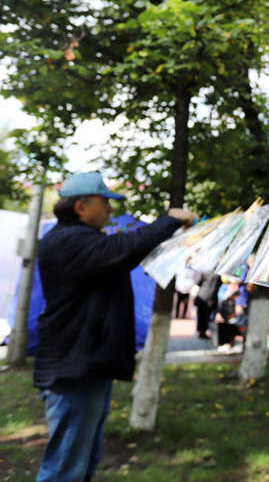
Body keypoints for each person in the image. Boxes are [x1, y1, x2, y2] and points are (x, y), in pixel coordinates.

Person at [34, 172, 196, 482]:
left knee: (83, 460)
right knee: (65, 469)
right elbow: (121, 249)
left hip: (85, 365)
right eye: (105, 202)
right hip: (74, 368)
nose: (110, 210)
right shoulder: (68, 241)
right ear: (81, 207)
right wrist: (169, 220)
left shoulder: (78, 239)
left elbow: (123, 252)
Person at [195, 271, 221, 339]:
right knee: (207, 316)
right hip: (211, 297)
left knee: (201, 315)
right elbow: (219, 284)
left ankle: (201, 331)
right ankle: (203, 331)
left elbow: (198, 283)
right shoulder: (219, 274)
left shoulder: (205, 273)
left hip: (203, 295)